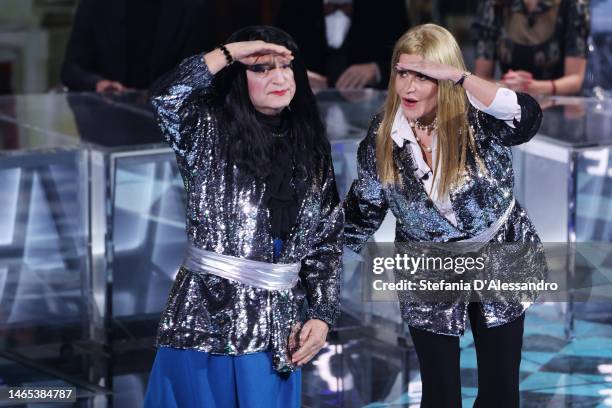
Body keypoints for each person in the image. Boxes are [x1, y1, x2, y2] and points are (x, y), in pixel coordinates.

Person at [343, 24, 544, 407]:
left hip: (500, 256)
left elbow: (526, 117)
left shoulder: (481, 119)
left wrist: (460, 78)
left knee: (500, 390)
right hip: (426, 264)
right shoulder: (381, 135)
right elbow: (364, 210)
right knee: (439, 394)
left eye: (424, 76)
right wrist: (314, 270)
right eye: (403, 73)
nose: (410, 87)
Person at [143, 26, 343, 407]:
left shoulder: (312, 146)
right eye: (261, 68)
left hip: (280, 330)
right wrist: (232, 51)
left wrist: (322, 313)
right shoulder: (205, 131)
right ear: (238, 76)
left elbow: (327, 239)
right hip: (205, 322)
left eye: (286, 66)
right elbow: (165, 97)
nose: (279, 78)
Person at [61, 0, 213, 92]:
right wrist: (98, 84)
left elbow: (197, 73)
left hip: (167, 125)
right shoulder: (96, 5)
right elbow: (71, 69)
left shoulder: (191, 8)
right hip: (106, 120)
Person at [276, 0, 409, 90]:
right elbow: (275, 54)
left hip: (372, 109)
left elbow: (409, 60)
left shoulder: (390, 4)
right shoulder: (292, 5)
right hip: (304, 109)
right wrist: (296, 73)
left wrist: (377, 70)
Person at [472, 0, 590, 96]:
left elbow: (575, 79)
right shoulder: (493, 5)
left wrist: (531, 86)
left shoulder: (573, 5)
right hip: (509, 105)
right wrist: (508, 86)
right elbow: (482, 77)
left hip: (559, 107)